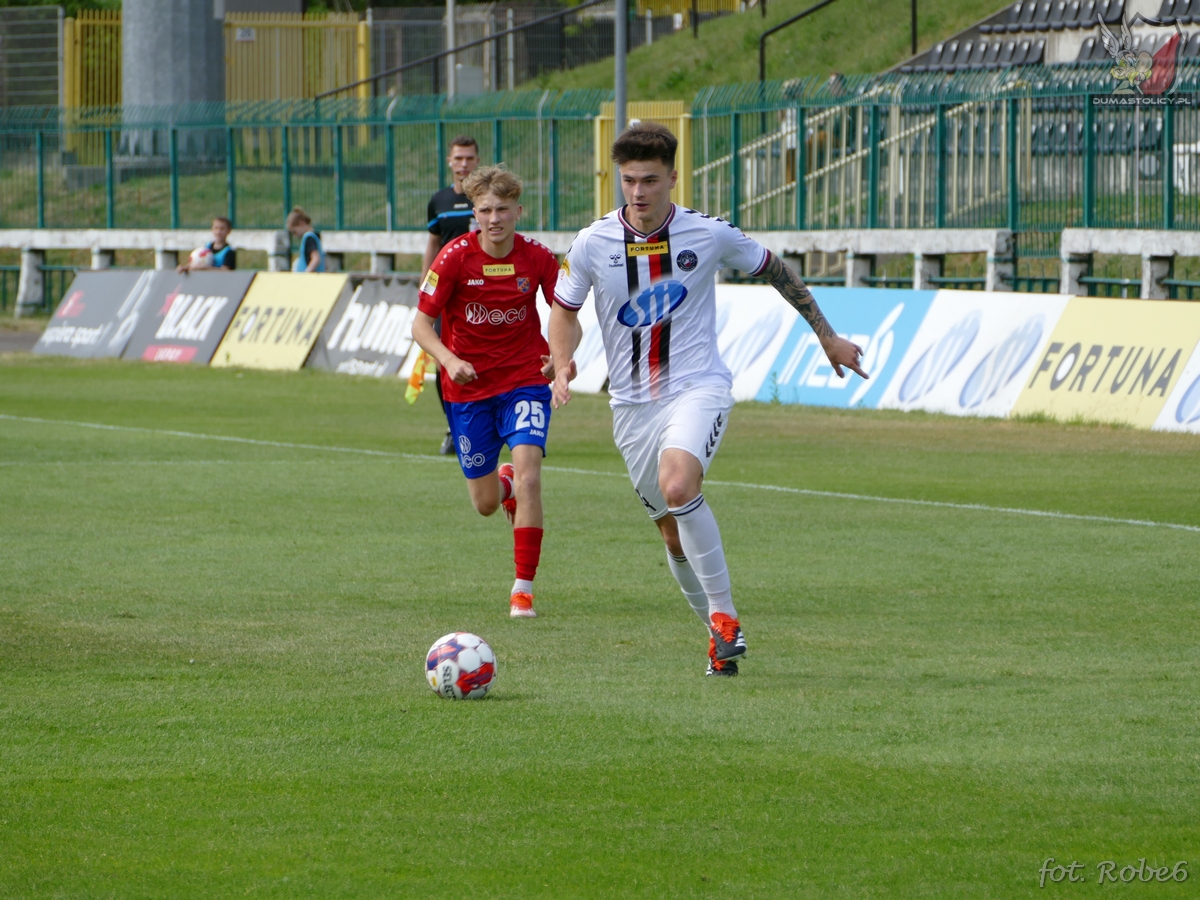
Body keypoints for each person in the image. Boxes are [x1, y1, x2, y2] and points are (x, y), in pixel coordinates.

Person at [547, 123, 868, 676]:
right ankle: (719, 641)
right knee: (671, 533)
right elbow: (564, 312)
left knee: (679, 485)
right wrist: (561, 361)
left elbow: (775, 270)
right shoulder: (592, 243)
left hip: (699, 386)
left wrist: (826, 335)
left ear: (673, 177)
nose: (639, 192)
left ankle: (725, 616)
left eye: (650, 180)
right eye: (628, 181)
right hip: (629, 406)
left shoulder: (708, 233)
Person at [411, 166, 564, 619]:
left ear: (519, 210)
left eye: (502, 209)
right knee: (484, 505)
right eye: (484, 211)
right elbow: (420, 325)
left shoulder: (537, 257)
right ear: (473, 213)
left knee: (532, 473)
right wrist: (449, 359)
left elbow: (564, 313)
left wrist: (560, 355)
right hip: (469, 390)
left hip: (525, 382)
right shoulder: (454, 258)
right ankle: (503, 488)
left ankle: (523, 589)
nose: (494, 219)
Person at [423, 136, 482, 456]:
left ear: (477, 161)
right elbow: (432, 245)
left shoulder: (487, 200)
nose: (463, 164)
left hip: (484, 295)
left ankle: (489, 425)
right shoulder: (439, 201)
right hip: (447, 297)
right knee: (444, 362)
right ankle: (453, 428)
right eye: (458, 158)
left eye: (469, 158)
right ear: (449, 161)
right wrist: (424, 288)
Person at [287, 207, 325, 273]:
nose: (295, 235)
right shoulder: (316, 236)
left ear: (301, 223)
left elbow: (316, 259)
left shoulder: (309, 238)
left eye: (294, 232)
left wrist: (306, 275)